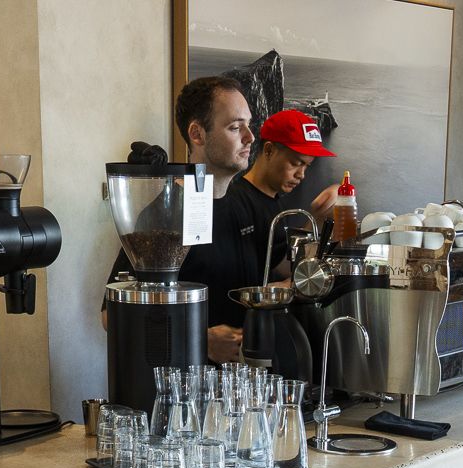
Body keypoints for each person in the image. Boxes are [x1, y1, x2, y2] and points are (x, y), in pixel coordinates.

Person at [104, 75, 258, 362]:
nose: (250, 137)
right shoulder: (165, 213)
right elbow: (111, 317)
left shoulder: (244, 203)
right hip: (184, 382)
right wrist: (202, 339)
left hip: (241, 383)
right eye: (236, 127)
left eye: (249, 125)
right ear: (197, 134)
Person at [227, 108, 337, 287]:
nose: (301, 174)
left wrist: (318, 219)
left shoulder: (274, 202)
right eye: (296, 163)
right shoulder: (236, 202)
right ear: (269, 150)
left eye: (307, 166)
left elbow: (281, 265)